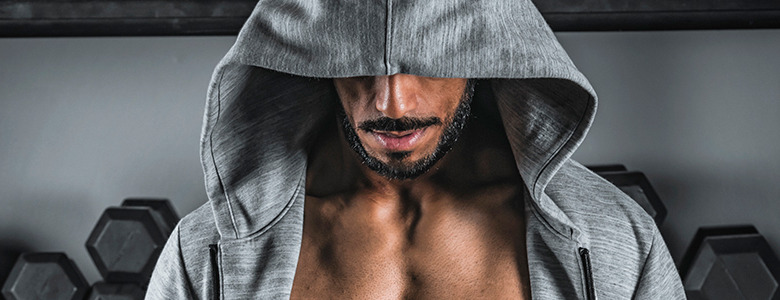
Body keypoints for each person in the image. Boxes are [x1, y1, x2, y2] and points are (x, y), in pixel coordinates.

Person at [147, 0, 685, 299]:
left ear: (488, 49)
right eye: (356, 60)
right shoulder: (206, 255)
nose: (393, 101)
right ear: (313, 59)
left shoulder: (615, 240)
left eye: (428, 58)